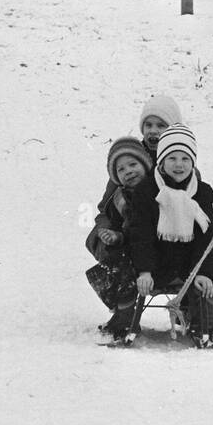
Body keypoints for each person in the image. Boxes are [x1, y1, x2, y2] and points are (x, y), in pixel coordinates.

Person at [126, 124, 213, 347]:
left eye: (185, 158)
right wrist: (145, 270)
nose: (179, 165)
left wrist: (202, 272)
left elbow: (205, 238)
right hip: (158, 265)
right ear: (161, 161)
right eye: (172, 158)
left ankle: (205, 316)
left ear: (193, 162)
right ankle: (124, 320)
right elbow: (141, 235)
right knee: (120, 264)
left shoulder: (203, 192)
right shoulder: (147, 191)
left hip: (191, 264)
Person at [85, 137, 152, 341]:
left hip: (156, 251)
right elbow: (114, 221)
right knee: (111, 264)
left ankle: (126, 315)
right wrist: (113, 236)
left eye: (133, 165)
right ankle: (125, 314)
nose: (128, 171)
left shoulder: (157, 190)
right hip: (130, 248)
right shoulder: (118, 198)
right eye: (121, 170)